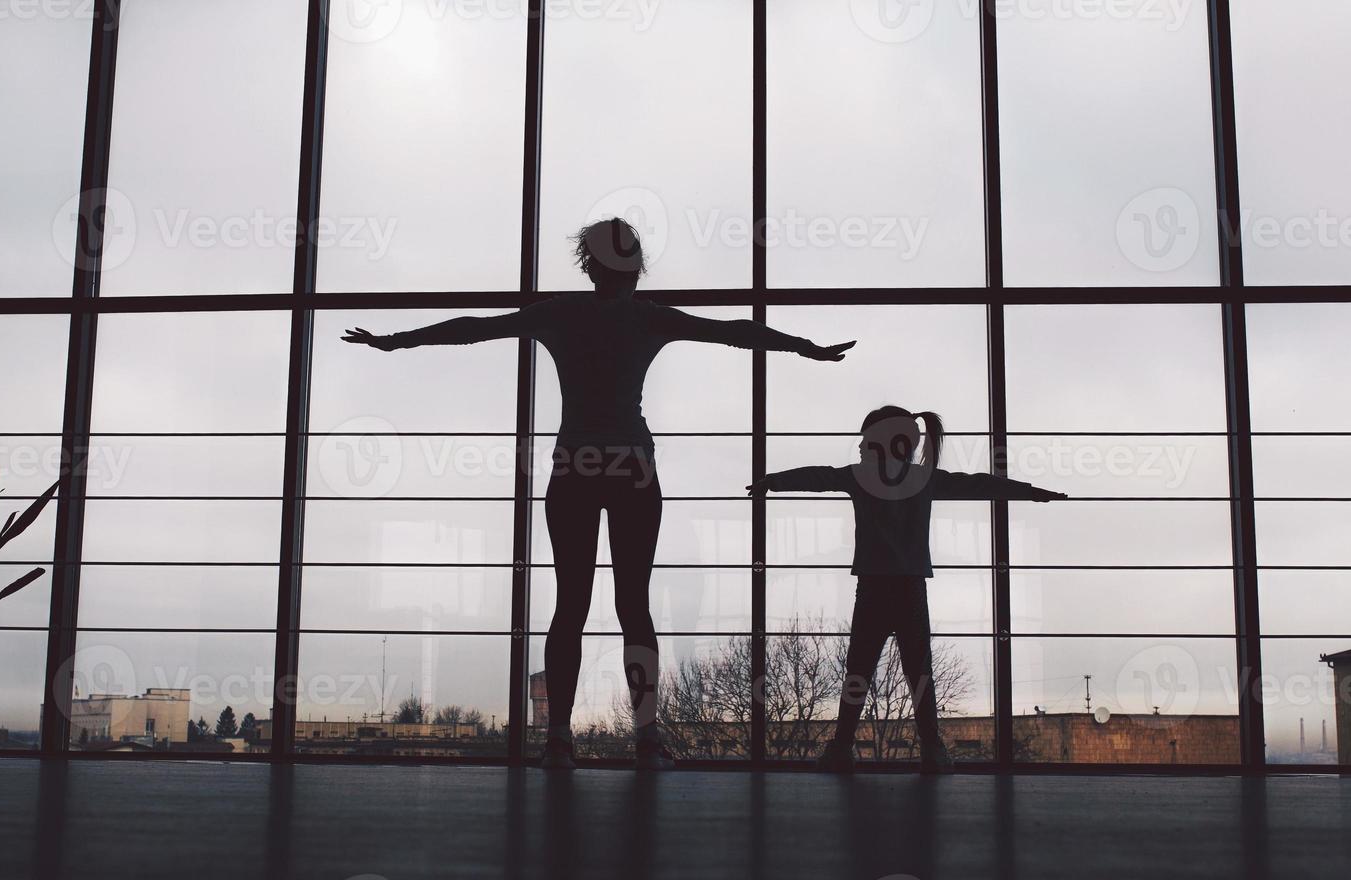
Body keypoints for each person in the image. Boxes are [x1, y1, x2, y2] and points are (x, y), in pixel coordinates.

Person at [344, 217, 854, 770]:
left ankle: (560, 738)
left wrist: (395, 342)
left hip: (576, 468)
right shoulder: (648, 317)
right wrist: (805, 348)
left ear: (590, 264)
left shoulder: (561, 314)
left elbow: (474, 327)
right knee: (633, 606)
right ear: (636, 264)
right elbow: (735, 331)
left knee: (572, 605)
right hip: (632, 467)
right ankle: (647, 739)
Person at [749, 406, 1066, 773]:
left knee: (859, 670)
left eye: (866, 441)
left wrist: (772, 480)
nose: (861, 447)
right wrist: (1030, 492)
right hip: (911, 588)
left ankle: (841, 747)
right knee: (919, 673)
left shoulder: (861, 477)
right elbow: (979, 483)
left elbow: (818, 477)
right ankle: (932, 749)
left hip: (871, 588)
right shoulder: (924, 480)